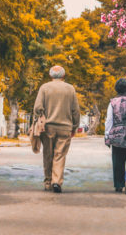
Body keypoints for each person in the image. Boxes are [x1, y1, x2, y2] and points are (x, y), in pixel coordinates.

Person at [34, 65, 80, 193]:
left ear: (50, 76)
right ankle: (57, 182)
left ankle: (48, 182)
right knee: (59, 155)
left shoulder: (44, 88)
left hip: (47, 127)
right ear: (63, 76)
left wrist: (40, 118)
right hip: (65, 128)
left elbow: (38, 107)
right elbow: (75, 110)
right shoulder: (70, 89)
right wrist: (75, 126)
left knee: (48, 154)